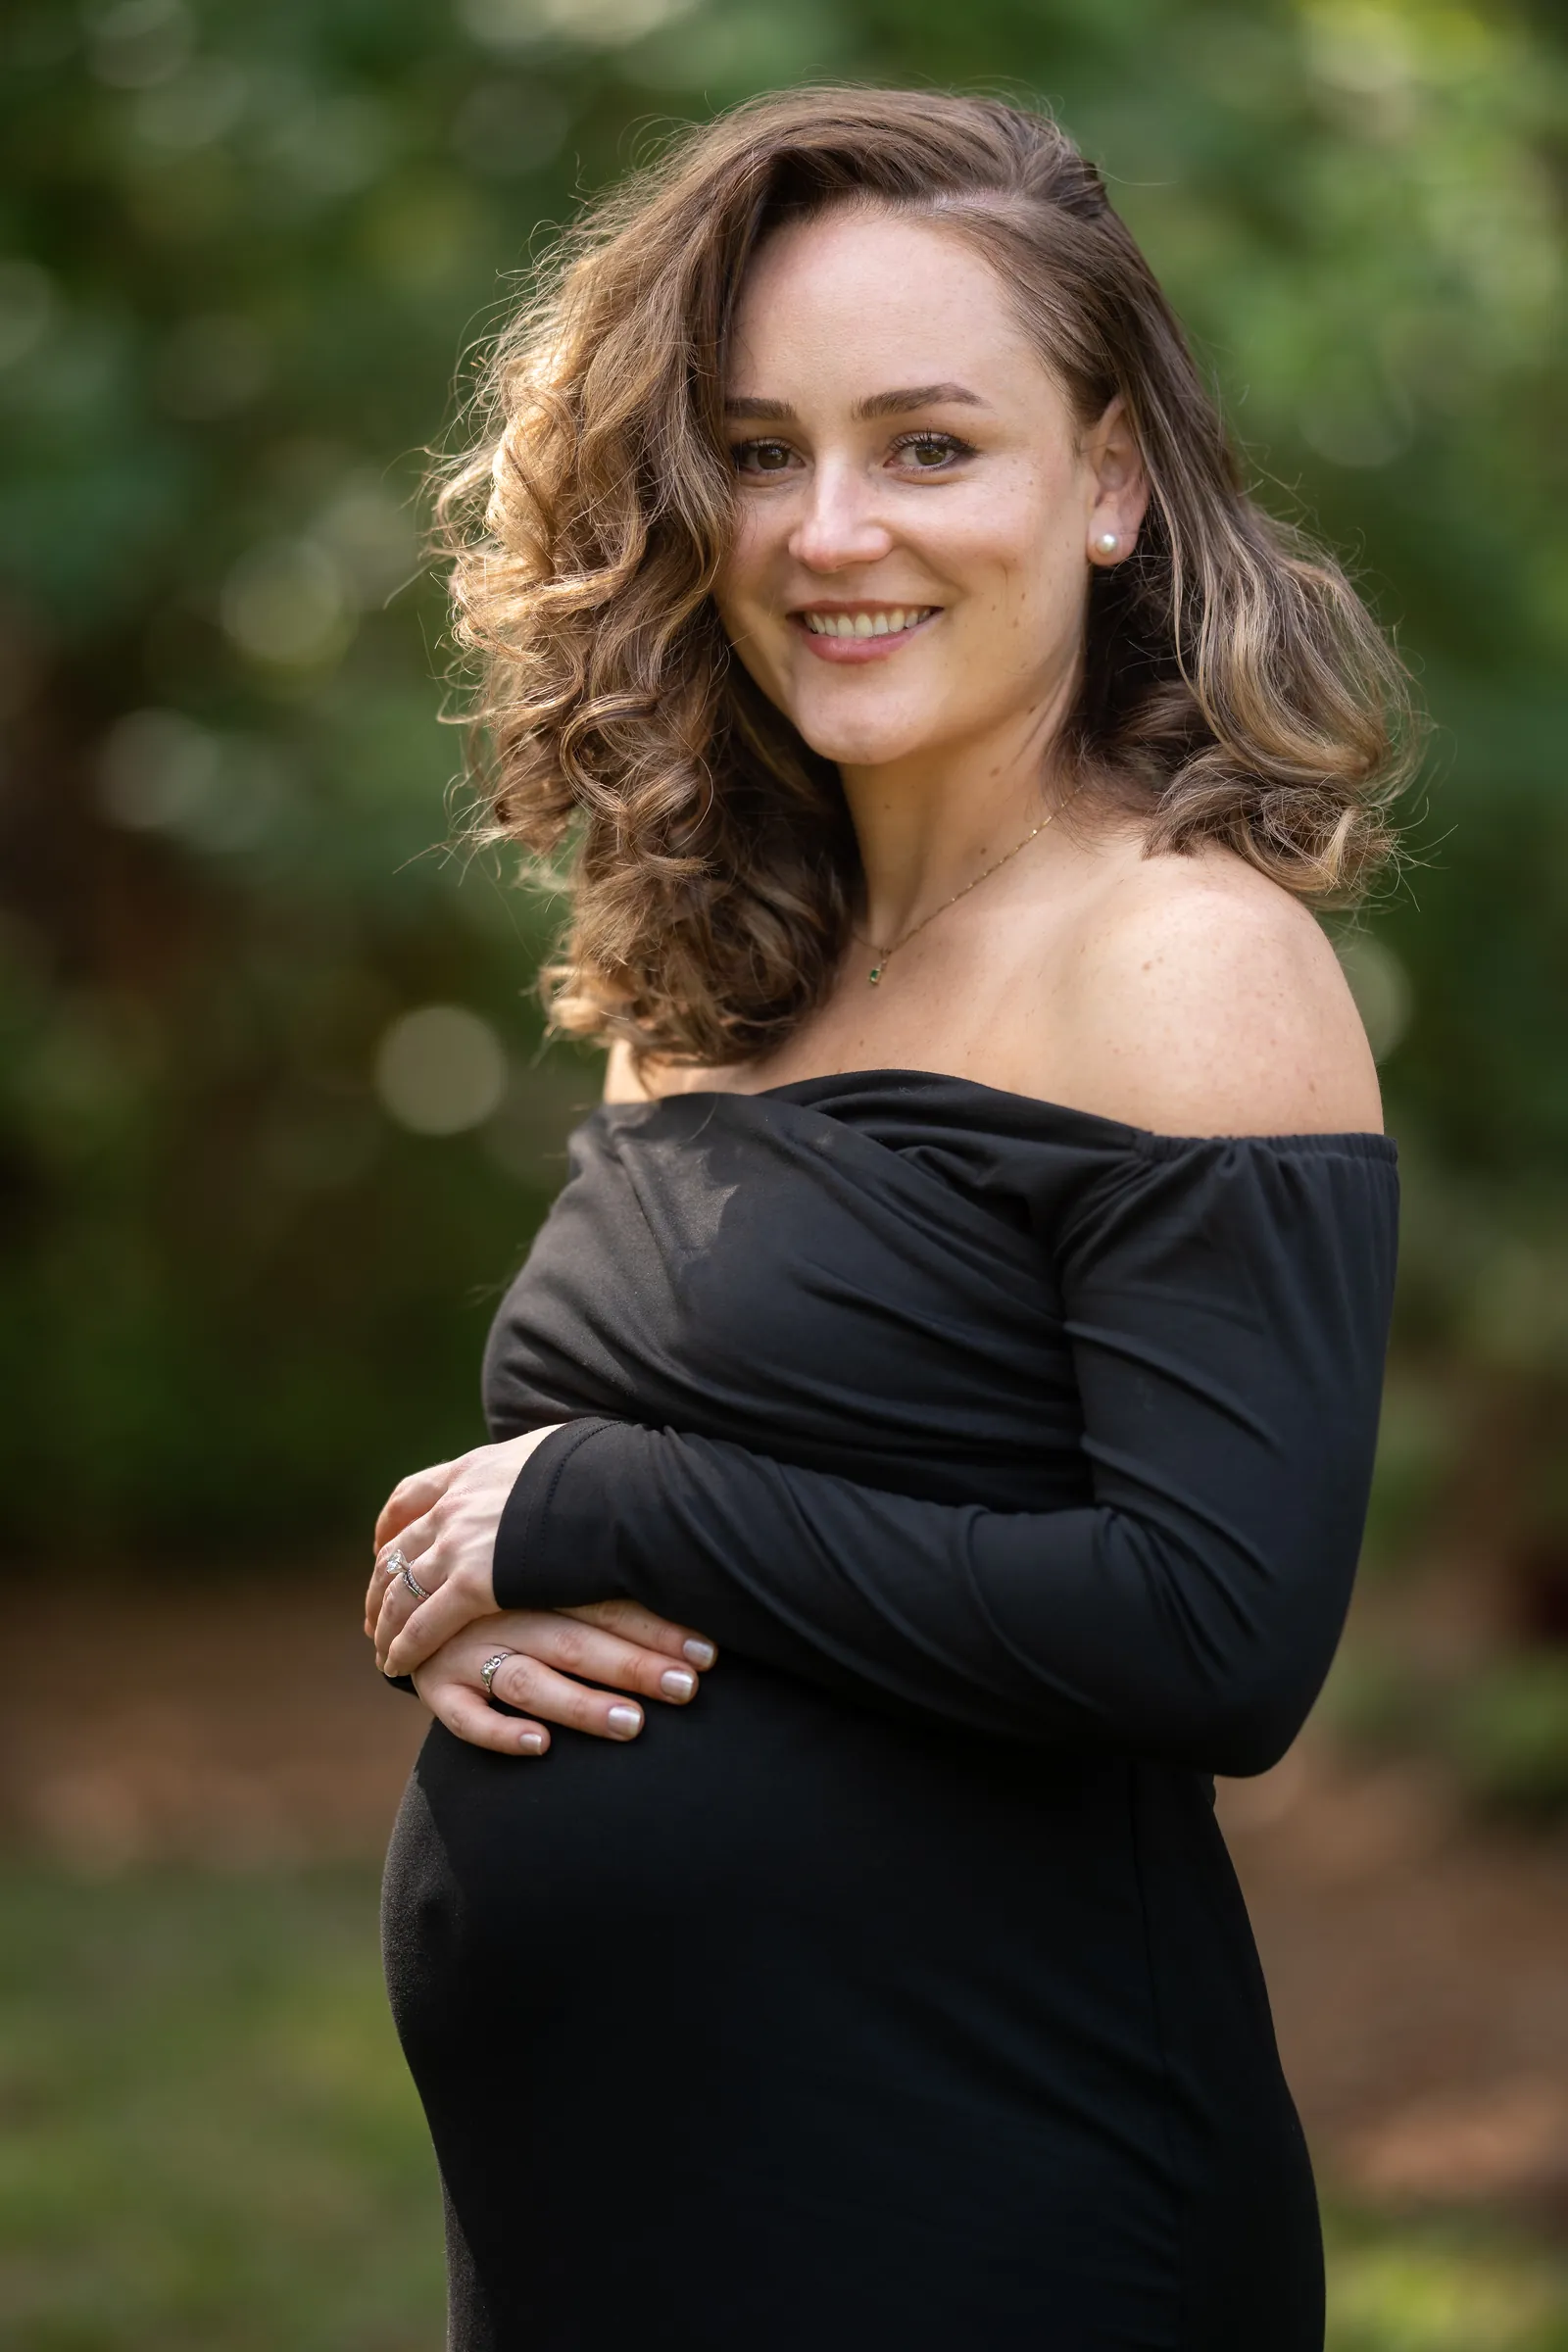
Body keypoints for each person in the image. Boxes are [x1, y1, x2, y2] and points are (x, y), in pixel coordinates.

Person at [365, 87, 1409, 2351]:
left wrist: (611, 1503)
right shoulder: (713, 969)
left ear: (1106, 482)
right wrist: (463, 1604)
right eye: (757, 452)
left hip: (985, 2205)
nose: (826, 531)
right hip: (596, 2231)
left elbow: (1212, 1635)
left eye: (927, 446)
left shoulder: (1179, 962)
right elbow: (654, 1512)